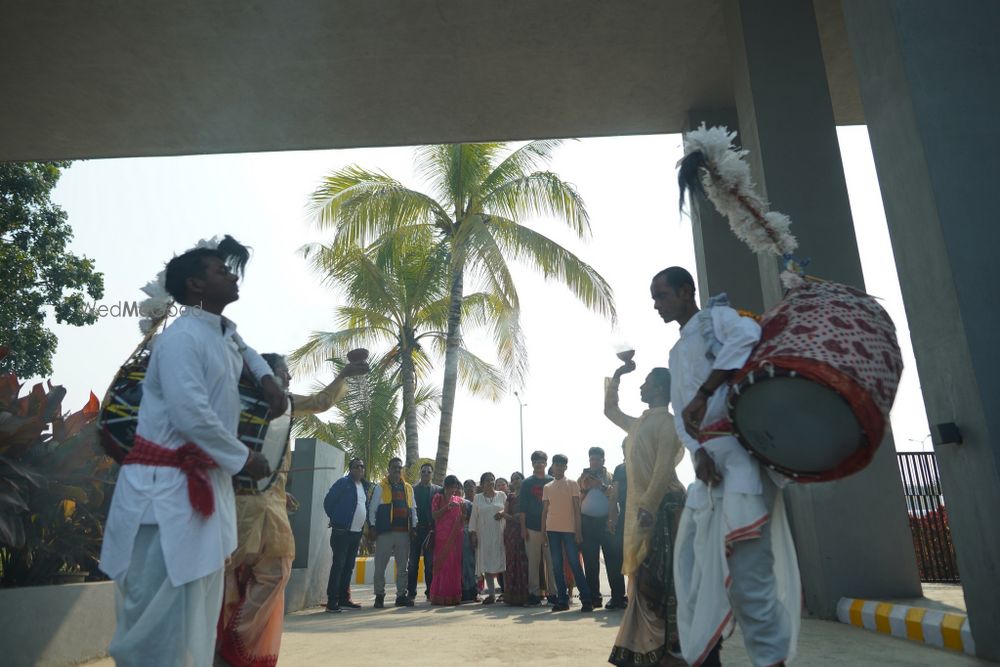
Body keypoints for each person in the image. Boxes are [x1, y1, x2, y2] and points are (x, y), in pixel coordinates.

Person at [99, 237, 281, 666]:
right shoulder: (180, 340)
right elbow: (190, 414)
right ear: (197, 285)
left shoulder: (221, 334)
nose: (233, 276)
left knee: (195, 620)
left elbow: (246, 351)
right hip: (162, 500)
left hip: (200, 496)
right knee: (154, 622)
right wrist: (243, 458)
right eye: (222, 271)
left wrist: (267, 379)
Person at [653, 266, 800, 667]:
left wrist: (706, 391)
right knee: (696, 578)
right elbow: (685, 415)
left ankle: (771, 661)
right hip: (709, 475)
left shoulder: (715, 320)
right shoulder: (676, 349)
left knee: (751, 583)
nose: (656, 305)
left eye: (662, 295)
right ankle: (704, 656)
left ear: (687, 292)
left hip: (742, 467)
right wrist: (698, 454)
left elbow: (748, 337)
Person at [218, 353, 368, 664]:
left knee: (278, 569)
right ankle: (224, 645)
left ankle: (237, 640)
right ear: (264, 376)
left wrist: (345, 375)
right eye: (284, 374)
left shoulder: (284, 403)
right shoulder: (233, 404)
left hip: (272, 508)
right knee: (231, 577)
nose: (289, 380)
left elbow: (321, 401)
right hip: (239, 505)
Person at [605, 362, 686, 667]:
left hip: (663, 509)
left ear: (661, 389)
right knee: (641, 578)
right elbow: (611, 412)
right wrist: (616, 377)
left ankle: (668, 648)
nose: (641, 387)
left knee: (659, 580)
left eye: (647, 383)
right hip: (643, 510)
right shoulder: (639, 423)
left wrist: (648, 509)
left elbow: (664, 468)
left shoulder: (667, 423)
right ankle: (643, 648)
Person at [541, 454, 593, 612]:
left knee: (575, 564)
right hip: (552, 529)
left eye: (562, 465)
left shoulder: (572, 484)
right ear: (553, 466)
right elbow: (544, 511)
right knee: (557, 566)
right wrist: (543, 531)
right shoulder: (547, 486)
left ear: (566, 467)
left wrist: (578, 531)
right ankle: (562, 601)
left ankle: (586, 599)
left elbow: (577, 510)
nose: (559, 467)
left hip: (569, 530)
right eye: (557, 464)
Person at [578, 446, 627, 610]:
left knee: (613, 561)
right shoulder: (582, 477)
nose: (594, 462)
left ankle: (618, 597)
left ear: (603, 461)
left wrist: (601, 485)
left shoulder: (612, 476)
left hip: (607, 523)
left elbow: (616, 494)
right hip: (587, 523)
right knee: (591, 564)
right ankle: (594, 598)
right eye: (591, 459)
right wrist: (585, 486)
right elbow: (576, 498)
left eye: (597, 459)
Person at [367, 457, 417, 608]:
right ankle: (379, 596)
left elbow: (413, 509)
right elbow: (372, 509)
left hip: (403, 533)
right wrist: (372, 527)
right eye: (394, 467)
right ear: (389, 469)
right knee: (380, 566)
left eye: (399, 468)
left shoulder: (408, 488)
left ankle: (401, 595)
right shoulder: (380, 487)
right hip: (385, 533)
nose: (397, 470)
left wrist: (414, 526)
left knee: (403, 567)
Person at [323, 458, 371, 612]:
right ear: (350, 469)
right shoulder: (343, 483)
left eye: (362, 467)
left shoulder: (363, 486)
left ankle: (344, 599)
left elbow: (363, 507)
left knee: (348, 566)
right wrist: (335, 519)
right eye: (357, 467)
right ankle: (332, 601)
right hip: (342, 532)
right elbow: (328, 501)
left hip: (356, 533)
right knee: (339, 565)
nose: (360, 469)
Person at [518, 451, 557, 606]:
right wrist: (523, 528)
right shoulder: (527, 483)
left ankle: (553, 593)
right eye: (535, 461)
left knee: (552, 562)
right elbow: (522, 508)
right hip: (531, 528)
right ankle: (534, 594)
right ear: (532, 463)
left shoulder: (552, 481)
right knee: (533, 563)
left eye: (541, 461)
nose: (539, 463)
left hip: (551, 528)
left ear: (546, 463)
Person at [469, 472, 507, 604]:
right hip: (484, 536)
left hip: (500, 534)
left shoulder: (501, 495)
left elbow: (508, 509)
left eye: (492, 480)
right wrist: (473, 534)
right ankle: (491, 595)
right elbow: (474, 517)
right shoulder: (477, 498)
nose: (490, 482)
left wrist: (502, 513)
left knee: (503, 563)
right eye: (487, 480)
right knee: (487, 564)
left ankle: (506, 593)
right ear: (482, 483)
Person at [429, 476, 466, 605]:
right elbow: (434, 515)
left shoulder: (458, 500)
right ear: (446, 487)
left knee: (454, 565)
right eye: (451, 487)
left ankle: (453, 596)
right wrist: (447, 507)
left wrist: (464, 510)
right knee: (442, 565)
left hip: (456, 537)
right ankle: (439, 595)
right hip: (442, 537)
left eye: (455, 487)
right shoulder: (438, 498)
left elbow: (463, 518)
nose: (453, 490)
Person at [408, 462, 441, 600]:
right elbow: (409, 510)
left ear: (432, 474)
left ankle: (430, 592)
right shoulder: (412, 489)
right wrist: (411, 527)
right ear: (420, 473)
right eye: (423, 472)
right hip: (415, 531)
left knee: (429, 565)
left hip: (431, 532)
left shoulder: (439, 490)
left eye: (429, 472)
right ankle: (411, 593)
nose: (426, 474)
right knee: (413, 564)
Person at [500, 471, 529, 606]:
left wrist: (520, 517)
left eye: (518, 478)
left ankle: (526, 594)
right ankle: (511, 594)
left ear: (523, 480)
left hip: (525, 529)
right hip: (511, 531)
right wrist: (513, 517)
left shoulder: (528, 495)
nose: (515, 481)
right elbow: (504, 513)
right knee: (512, 561)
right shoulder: (510, 497)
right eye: (513, 479)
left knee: (524, 560)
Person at [461, 479, 480, 602]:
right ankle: (470, 589)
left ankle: (477, 589)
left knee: (479, 563)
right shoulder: (463, 502)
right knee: (468, 562)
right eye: (466, 486)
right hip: (467, 535)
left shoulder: (480, 500)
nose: (469, 488)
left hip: (481, 533)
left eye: (471, 486)